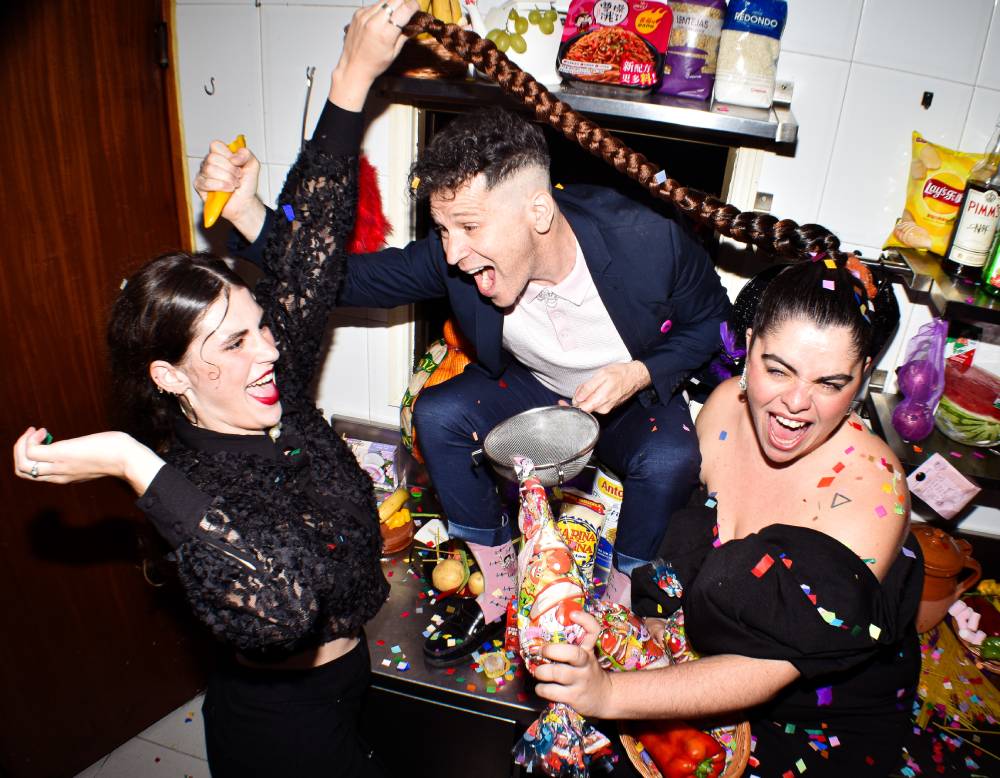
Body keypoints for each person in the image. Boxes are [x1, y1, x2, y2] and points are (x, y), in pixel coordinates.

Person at [11, 3, 419, 775]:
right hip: (281, 733)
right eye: (233, 342)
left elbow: (313, 254)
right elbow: (286, 603)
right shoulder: (192, 479)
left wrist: (351, 78)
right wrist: (135, 464)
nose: (270, 350)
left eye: (261, 325)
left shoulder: (275, 389)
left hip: (350, 691)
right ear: (169, 377)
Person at [199, 96, 731, 669]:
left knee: (673, 457)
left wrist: (639, 372)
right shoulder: (457, 255)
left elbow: (713, 324)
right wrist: (248, 213)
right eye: (443, 229)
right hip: (537, 389)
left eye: (470, 226)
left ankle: (624, 603)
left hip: (632, 400)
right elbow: (345, 279)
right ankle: (500, 580)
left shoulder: (648, 241)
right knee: (438, 413)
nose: (453, 252)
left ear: (538, 213)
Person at [530, 256, 923, 776]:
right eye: (777, 369)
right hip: (703, 673)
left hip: (814, 719)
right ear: (749, 346)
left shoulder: (872, 490)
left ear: (864, 376)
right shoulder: (722, 410)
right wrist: (628, 638)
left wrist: (610, 692)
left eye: (830, 383)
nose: (796, 404)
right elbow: (691, 561)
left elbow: (767, 667)